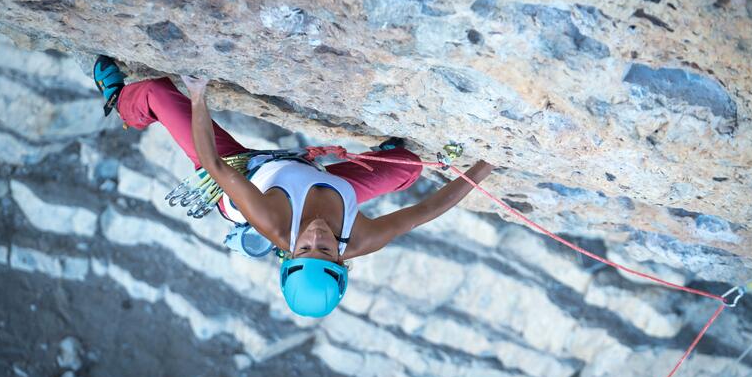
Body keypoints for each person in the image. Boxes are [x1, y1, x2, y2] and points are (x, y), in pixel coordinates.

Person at [93, 56, 494, 317]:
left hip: (240, 171)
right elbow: (426, 212)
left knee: (158, 93)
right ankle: (378, 160)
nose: (317, 237)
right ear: (342, 260)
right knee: (406, 166)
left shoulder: (271, 220)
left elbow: (214, 165)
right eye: (325, 249)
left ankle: (121, 102)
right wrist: (484, 167)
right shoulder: (362, 238)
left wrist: (198, 95)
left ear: (289, 253)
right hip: (318, 179)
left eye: (305, 248)